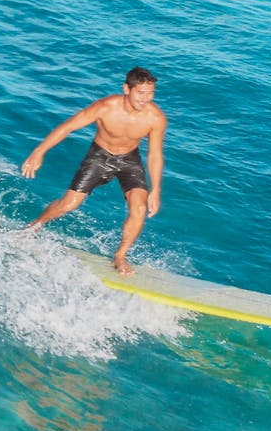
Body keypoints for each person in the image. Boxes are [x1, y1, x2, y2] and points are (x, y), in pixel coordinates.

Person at [21, 68, 167, 275]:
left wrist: (156, 189)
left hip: (129, 160)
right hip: (99, 157)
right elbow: (67, 127)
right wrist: (39, 152)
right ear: (127, 89)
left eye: (151, 93)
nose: (146, 99)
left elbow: (155, 154)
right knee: (68, 204)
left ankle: (120, 256)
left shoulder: (155, 118)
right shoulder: (106, 107)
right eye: (141, 93)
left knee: (139, 209)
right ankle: (35, 226)